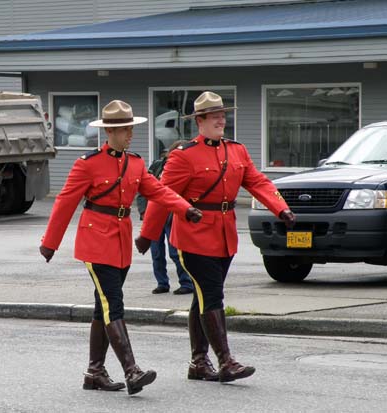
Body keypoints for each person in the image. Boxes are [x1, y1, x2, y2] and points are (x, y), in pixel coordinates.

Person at [39, 100, 202, 395]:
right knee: (113, 303)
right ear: (110, 132)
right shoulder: (87, 164)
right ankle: (131, 370)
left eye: (131, 128)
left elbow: (159, 191)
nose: (130, 134)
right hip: (95, 242)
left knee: (103, 308)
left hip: (121, 241)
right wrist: (50, 243)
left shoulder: (136, 163)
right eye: (125, 129)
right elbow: (65, 202)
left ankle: (94, 372)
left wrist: (184, 208)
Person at [135, 91, 296, 383]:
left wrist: (281, 208)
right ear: (200, 121)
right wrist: (148, 235)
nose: (221, 119)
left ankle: (198, 362)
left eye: (223, 114)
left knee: (203, 297)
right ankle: (226, 361)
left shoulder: (236, 150)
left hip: (224, 235)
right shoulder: (183, 156)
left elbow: (257, 181)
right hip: (193, 236)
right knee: (212, 295)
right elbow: (163, 196)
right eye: (214, 116)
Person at [136, 140, 194, 295]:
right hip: (154, 216)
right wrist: (143, 211)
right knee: (156, 253)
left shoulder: (185, 167)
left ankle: (186, 282)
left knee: (176, 252)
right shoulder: (157, 166)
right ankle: (162, 283)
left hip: (172, 216)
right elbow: (142, 190)